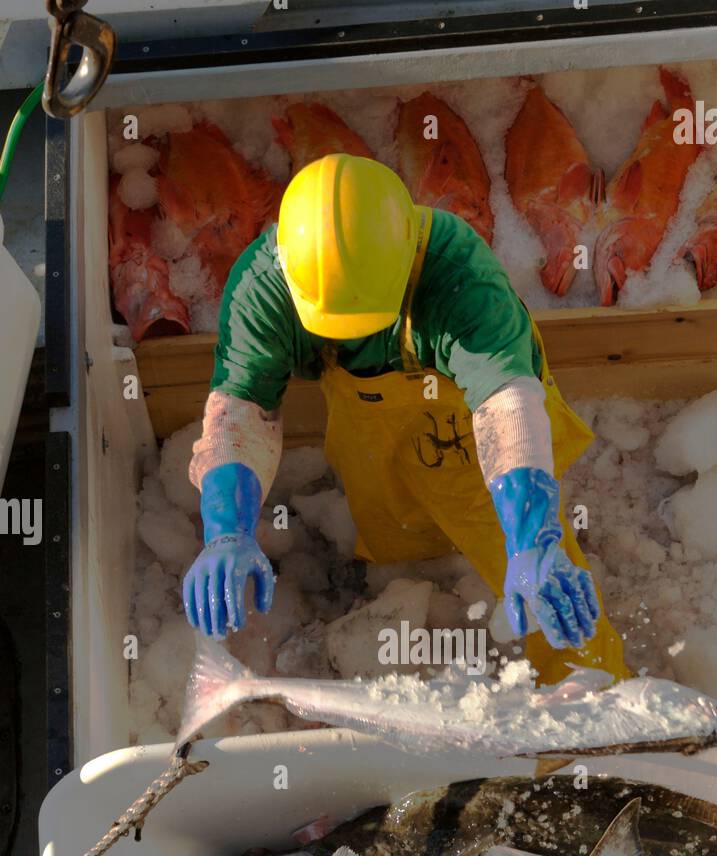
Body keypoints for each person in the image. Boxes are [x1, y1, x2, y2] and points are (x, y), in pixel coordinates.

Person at [183, 153, 627, 683]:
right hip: (370, 425)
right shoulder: (262, 285)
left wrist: (533, 537)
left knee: (542, 583)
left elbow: (505, 402)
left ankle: (599, 711)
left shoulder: (460, 273)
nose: (347, 339)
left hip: (467, 423)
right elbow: (242, 411)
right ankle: (424, 576)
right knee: (393, 524)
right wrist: (226, 531)